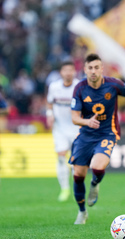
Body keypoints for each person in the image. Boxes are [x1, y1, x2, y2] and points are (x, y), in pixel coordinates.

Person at [69, 53, 125, 224]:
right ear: (85, 70)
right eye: (90, 68)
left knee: (97, 166)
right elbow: (74, 118)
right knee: (78, 174)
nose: (93, 71)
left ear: (102, 69)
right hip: (85, 135)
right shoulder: (79, 88)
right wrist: (87, 121)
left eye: (96, 68)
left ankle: (94, 184)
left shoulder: (113, 84)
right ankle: (82, 211)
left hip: (107, 133)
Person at [46, 61, 80, 202]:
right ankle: (64, 188)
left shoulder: (79, 86)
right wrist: (49, 114)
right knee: (61, 157)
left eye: (70, 70)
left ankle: (77, 187)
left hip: (76, 127)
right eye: (65, 70)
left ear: (74, 72)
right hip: (59, 127)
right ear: (61, 72)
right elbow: (49, 102)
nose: (68, 73)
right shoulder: (54, 87)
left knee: (76, 160)